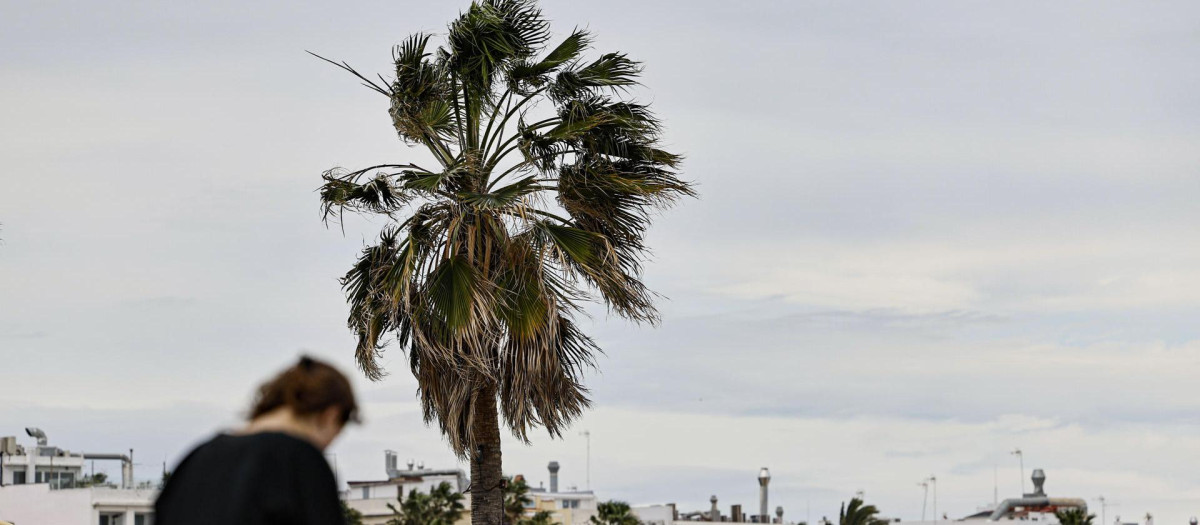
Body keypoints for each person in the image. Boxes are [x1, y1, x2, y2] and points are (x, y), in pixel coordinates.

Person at [155, 356, 359, 525]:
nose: (325, 446)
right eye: (333, 436)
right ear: (330, 415)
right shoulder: (300, 461)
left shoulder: (195, 459)